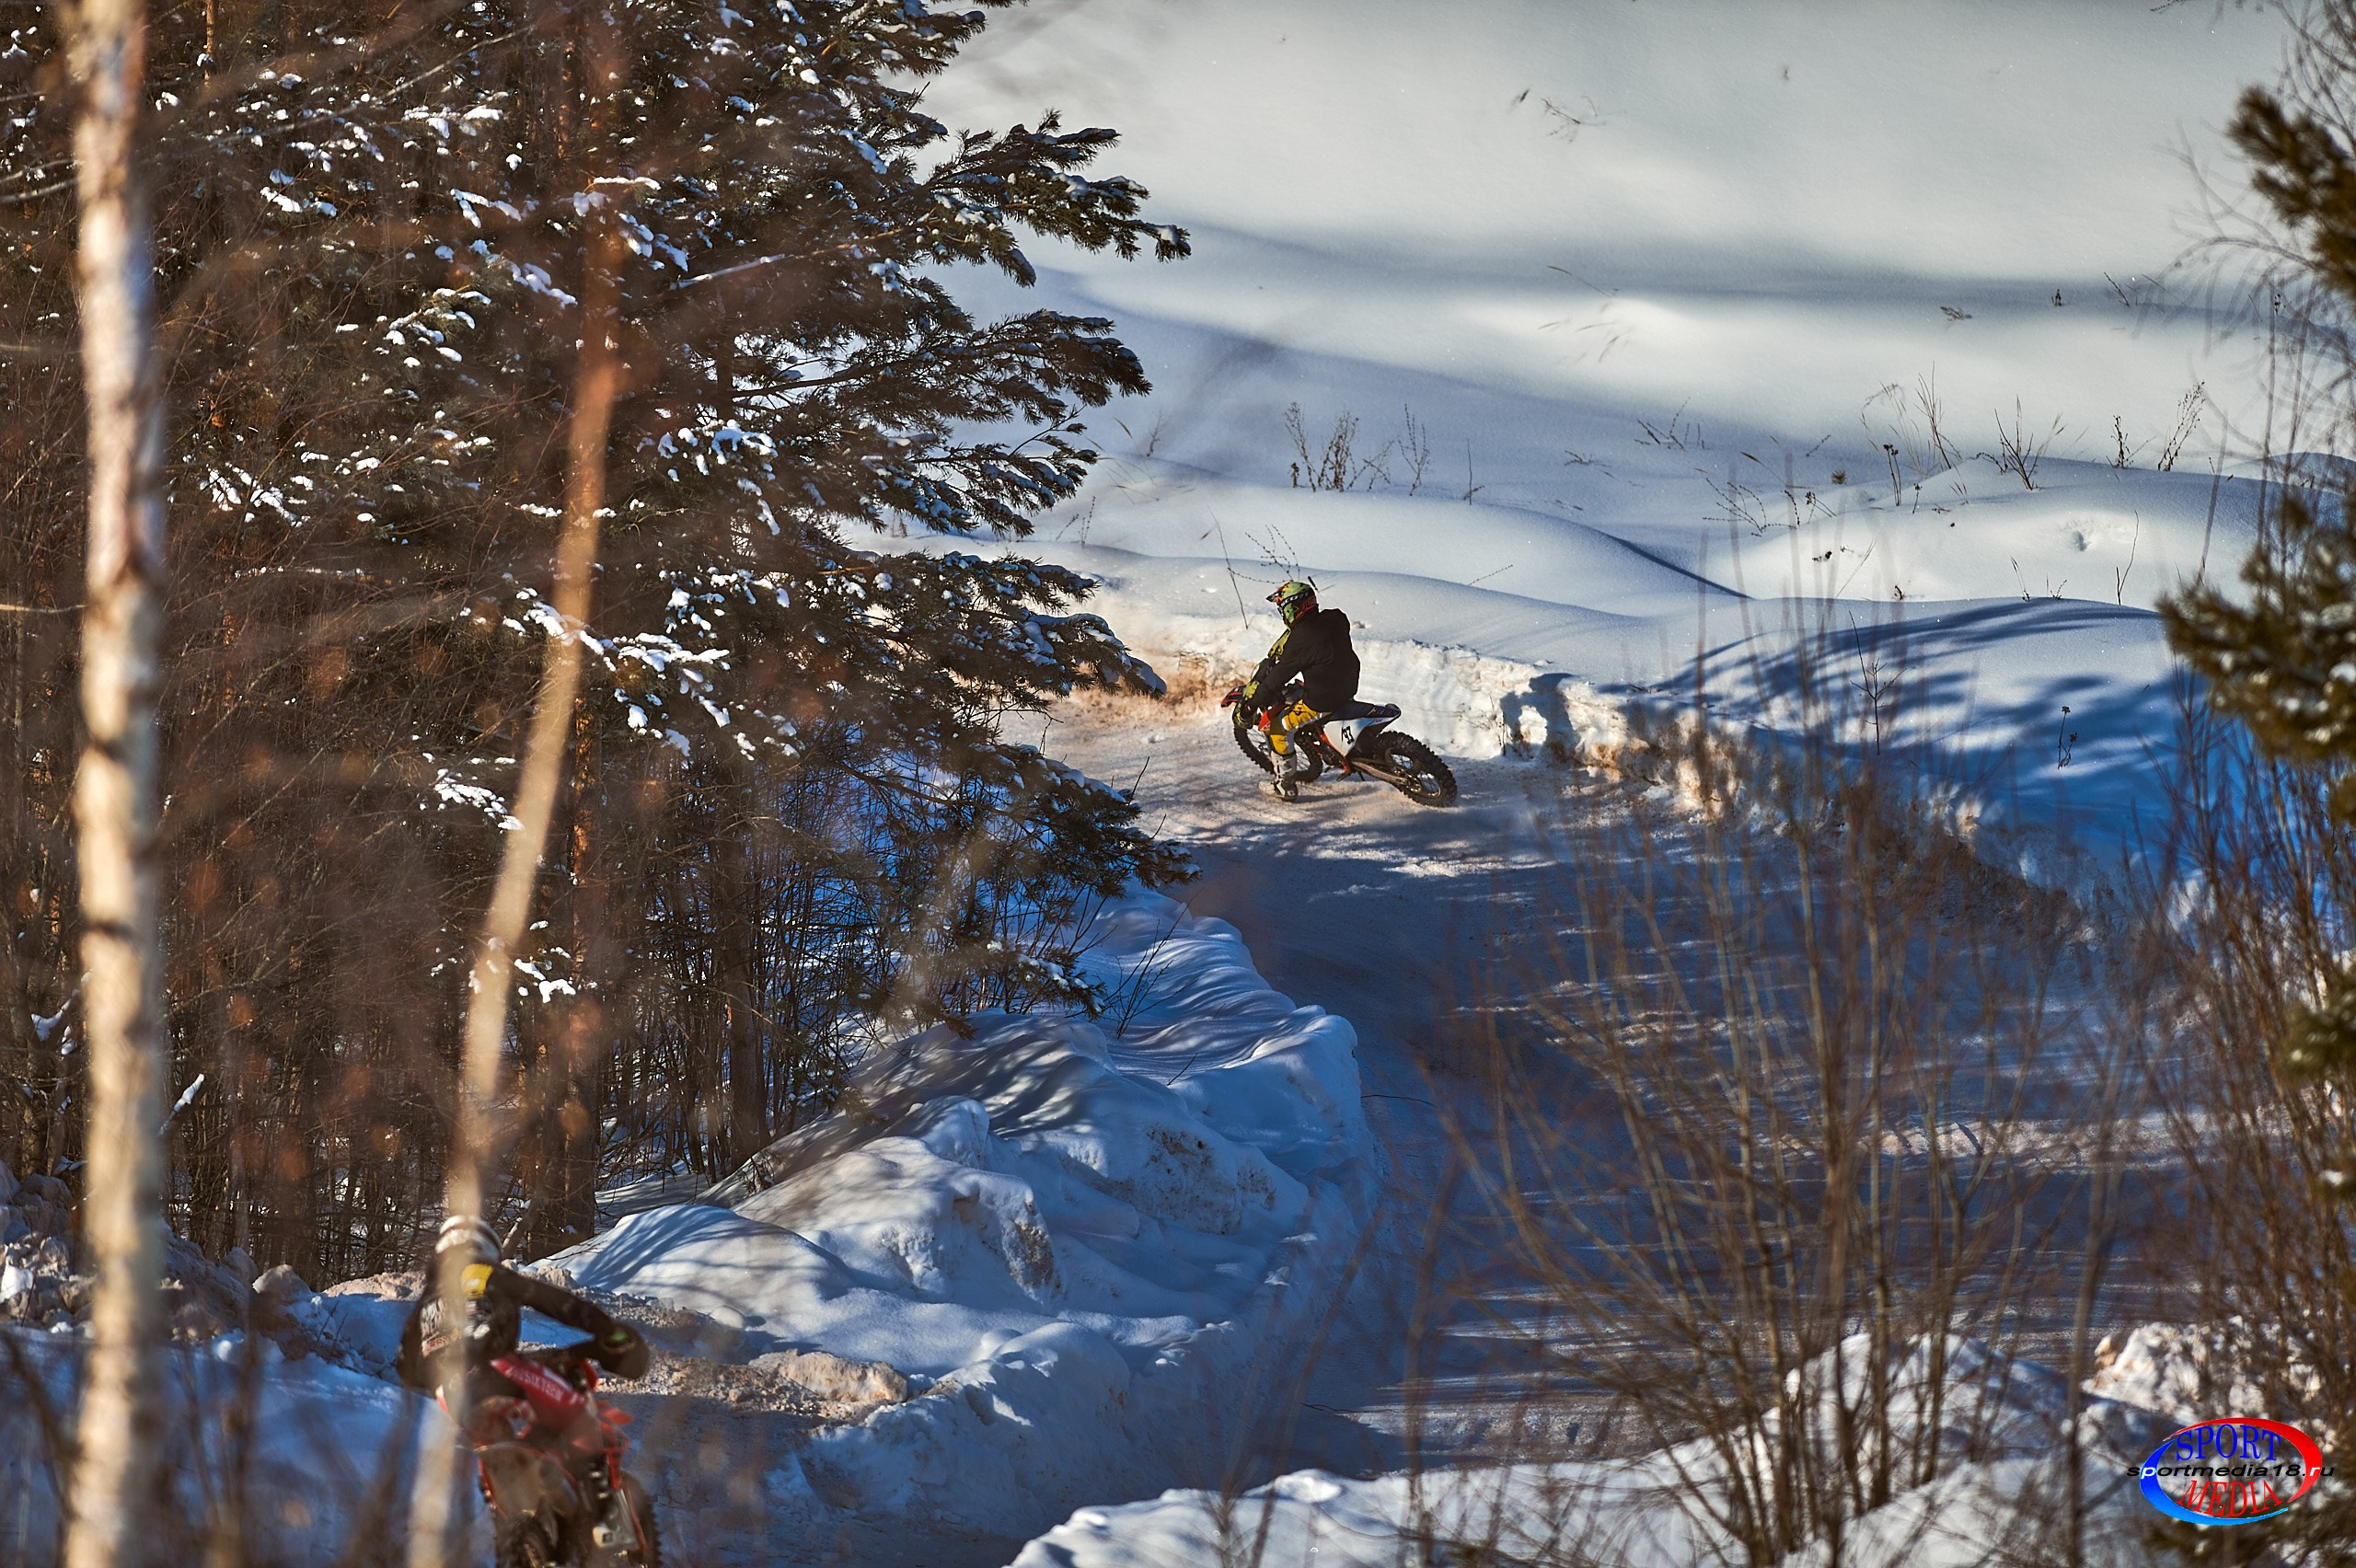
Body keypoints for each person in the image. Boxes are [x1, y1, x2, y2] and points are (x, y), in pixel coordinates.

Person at [398, 1214, 651, 1546]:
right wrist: (604, 1327)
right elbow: (551, 1300)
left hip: (448, 1396)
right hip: (496, 1372)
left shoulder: (426, 1301)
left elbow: (406, 1366)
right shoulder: (480, 1271)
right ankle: (604, 1522)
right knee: (579, 1415)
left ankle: (529, 1519)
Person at [1231, 580, 1375, 801]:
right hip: (1347, 684)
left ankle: (1284, 787)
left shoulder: (1300, 642)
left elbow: (1275, 680)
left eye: (1283, 608)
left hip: (1323, 699)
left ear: (1294, 608)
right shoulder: (1335, 617)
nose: (1281, 614)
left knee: (1278, 728)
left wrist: (1251, 705)